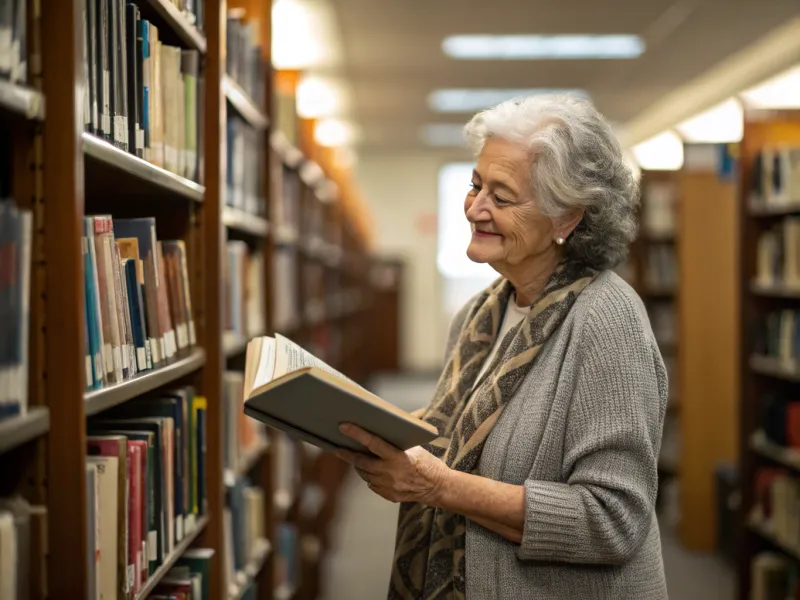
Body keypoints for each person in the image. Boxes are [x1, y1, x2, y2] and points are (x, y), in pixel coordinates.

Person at [337, 94, 668, 600]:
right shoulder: (480, 314)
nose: (475, 208)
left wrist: (438, 487)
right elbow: (468, 430)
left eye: (502, 196)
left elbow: (612, 520)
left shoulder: (608, 320)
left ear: (567, 219)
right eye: (475, 186)